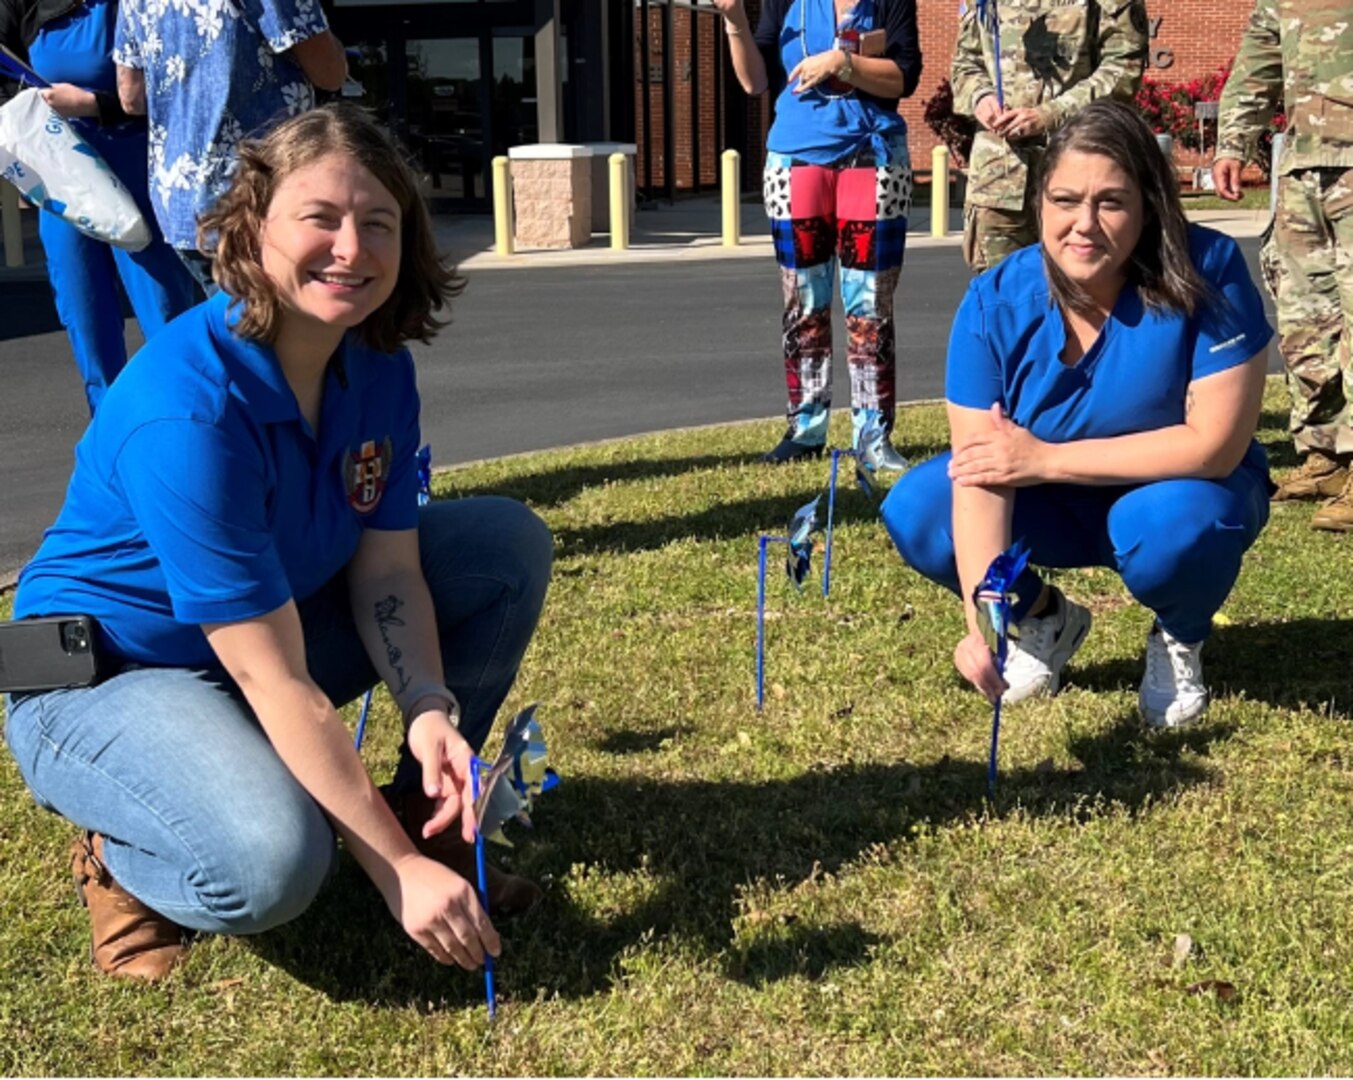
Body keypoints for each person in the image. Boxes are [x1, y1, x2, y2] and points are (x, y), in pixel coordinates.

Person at [3, 104, 553, 981]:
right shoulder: (187, 411)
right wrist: (393, 877)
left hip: (264, 638)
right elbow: (276, 677)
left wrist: (428, 709)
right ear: (254, 228)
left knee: (499, 547)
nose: (352, 247)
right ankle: (124, 861)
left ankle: (425, 819)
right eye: (321, 218)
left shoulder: (376, 368)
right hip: (107, 675)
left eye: (379, 224)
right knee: (275, 865)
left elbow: (390, 571)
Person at [880, 100, 1273, 727]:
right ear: (1039, 204)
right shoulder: (995, 299)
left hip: (1180, 494)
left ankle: (1179, 636)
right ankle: (1043, 620)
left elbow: (1216, 447)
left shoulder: (1210, 269)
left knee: (1178, 528)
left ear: (1148, 206)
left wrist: (1044, 457)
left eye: (1111, 202)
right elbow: (983, 469)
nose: (1083, 224)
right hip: (1052, 501)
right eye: (1064, 200)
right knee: (919, 509)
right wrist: (987, 619)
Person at [716, 0, 921, 466]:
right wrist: (734, 21)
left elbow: (903, 76)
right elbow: (755, 81)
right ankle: (805, 430)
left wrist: (843, 63)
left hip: (875, 158)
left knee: (870, 305)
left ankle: (873, 435)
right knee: (803, 300)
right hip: (795, 161)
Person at [0, 0, 197, 414]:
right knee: (86, 316)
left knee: (167, 316)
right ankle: (109, 435)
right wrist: (25, 115)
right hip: (63, 172)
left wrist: (94, 105)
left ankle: (184, 428)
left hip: (143, 165)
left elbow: (186, 85)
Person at [1213, 0, 1353, 531]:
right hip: (1303, 168)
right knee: (1305, 316)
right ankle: (1328, 453)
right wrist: (1234, 142)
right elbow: (1257, 62)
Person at [113, 0, 347, 293]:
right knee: (275, 328)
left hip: (178, 197)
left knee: (229, 323)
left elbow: (131, 97)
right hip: (258, 193)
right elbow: (329, 73)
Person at [950, 0, 1147, 273]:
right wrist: (980, 97)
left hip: (1082, 174)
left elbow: (1124, 66)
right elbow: (966, 63)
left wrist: (1051, 114)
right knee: (1002, 295)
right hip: (1000, 178)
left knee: (1086, 294)